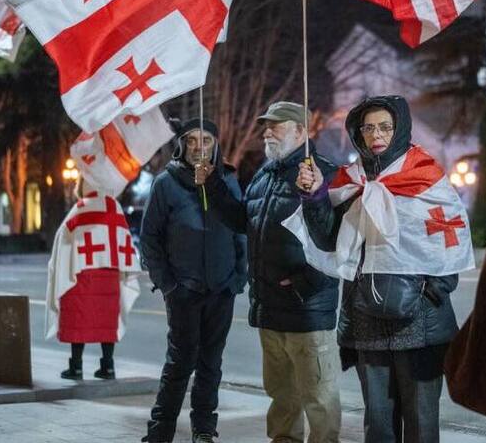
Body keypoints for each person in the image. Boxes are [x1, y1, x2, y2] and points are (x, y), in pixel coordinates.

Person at [294, 95, 470, 443]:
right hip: (367, 320)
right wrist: (315, 196)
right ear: (358, 134)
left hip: (420, 322)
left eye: (385, 127)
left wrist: (428, 291)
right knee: (378, 422)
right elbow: (330, 239)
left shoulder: (425, 176)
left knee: (421, 423)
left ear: (399, 129)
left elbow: (450, 241)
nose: (376, 134)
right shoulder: (350, 181)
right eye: (368, 127)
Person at [237, 101, 342, 443]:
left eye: (276, 125)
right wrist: (212, 187)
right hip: (270, 312)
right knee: (282, 398)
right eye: (266, 125)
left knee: (319, 399)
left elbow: (339, 241)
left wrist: (303, 285)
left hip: (306, 312)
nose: (267, 131)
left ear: (300, 131)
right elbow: (246, 222)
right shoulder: (265, 175)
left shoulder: (323, 172)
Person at [140, 118, 248, 443]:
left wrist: (238, 278)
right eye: (192, 141)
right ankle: (160, 432)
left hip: (221, 289)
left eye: (206, 141)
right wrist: (170, 285)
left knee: (211, 364)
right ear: (182, 145)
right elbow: (150, 240)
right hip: (184, 290)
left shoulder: (227, 180)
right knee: (179, 363)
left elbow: (240, 232)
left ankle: (203, 429)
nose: (199, 147)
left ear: (215, 146)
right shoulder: (165, 183)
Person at [45, 183, 142, 383]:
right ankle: (108, 366)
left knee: (78, 319)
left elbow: (63, 238)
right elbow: (125, 240)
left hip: (82, 275)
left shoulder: (81, 207)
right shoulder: (114, 206)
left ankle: (76, 366)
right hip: (109, 274)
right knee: (107, 321)